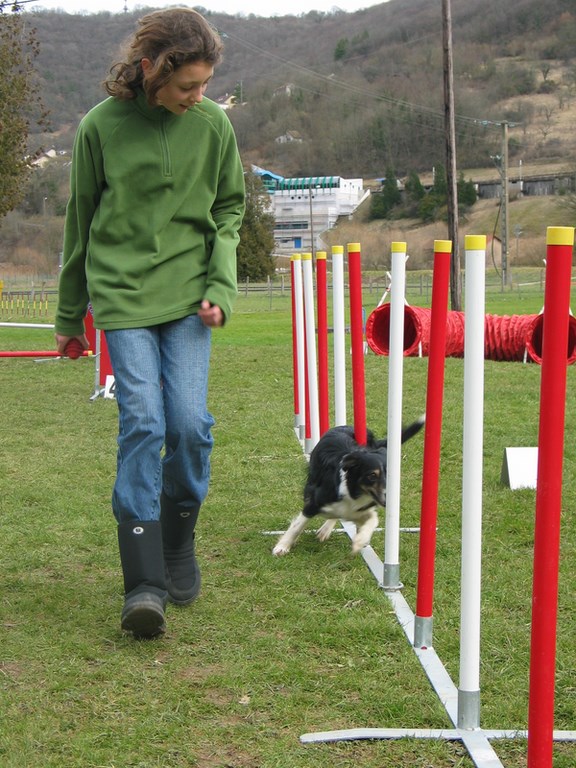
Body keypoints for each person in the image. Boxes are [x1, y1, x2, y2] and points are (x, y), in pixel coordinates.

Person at [54, 8, 245, 639]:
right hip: (121, 295)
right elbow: (80, 221)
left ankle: (176, 539)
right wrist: (68, 314)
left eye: (204, 85)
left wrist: (220, 283)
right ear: (149, 70)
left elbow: (228, 208)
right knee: (143, 419)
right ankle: (142, 580)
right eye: (188, 85)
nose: (200, 97)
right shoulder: (99, 127)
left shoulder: (213, 125)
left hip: (191, 294)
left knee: (189, 425)